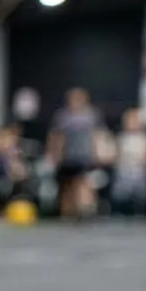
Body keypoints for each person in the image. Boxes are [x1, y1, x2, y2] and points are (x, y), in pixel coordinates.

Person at [47, 88, 104, 220]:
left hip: (84, 155)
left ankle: (84, 211)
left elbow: (97, 136)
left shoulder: (91, 115)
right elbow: (56, 137)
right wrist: (54, 154)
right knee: (66, 185)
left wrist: (97, 153)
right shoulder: (62, 116)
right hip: (67, 156)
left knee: (83, 183)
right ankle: (67, 213)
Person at [111, 108, 146, 217]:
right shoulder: (121, 137)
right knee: (121, 195)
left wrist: (140, 159)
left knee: (140, 197)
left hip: (139, 171)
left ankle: (140, 214)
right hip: (124, 171)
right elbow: (115, 154)